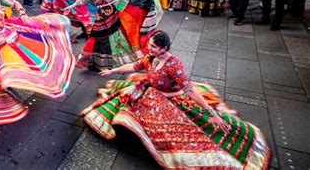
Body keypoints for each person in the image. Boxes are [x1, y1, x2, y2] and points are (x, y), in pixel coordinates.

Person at [82, 31, 270, 169]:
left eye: (154, 47)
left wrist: (211, 113)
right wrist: (112, 71)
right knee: (127, 100)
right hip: (151, 93)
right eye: (150, 46)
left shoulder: (174, 66)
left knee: (184, 133)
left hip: (172, 100)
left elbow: (189, 90)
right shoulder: (151, 57)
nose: (150, 49)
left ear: (165, 48)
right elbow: (135, 66)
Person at [64, 0, 162, 71]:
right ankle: (96, 62)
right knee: (95, 39)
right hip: (101, 19)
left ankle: (144, 63)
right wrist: (71, 6)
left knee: (129, 38)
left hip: (117, 15)